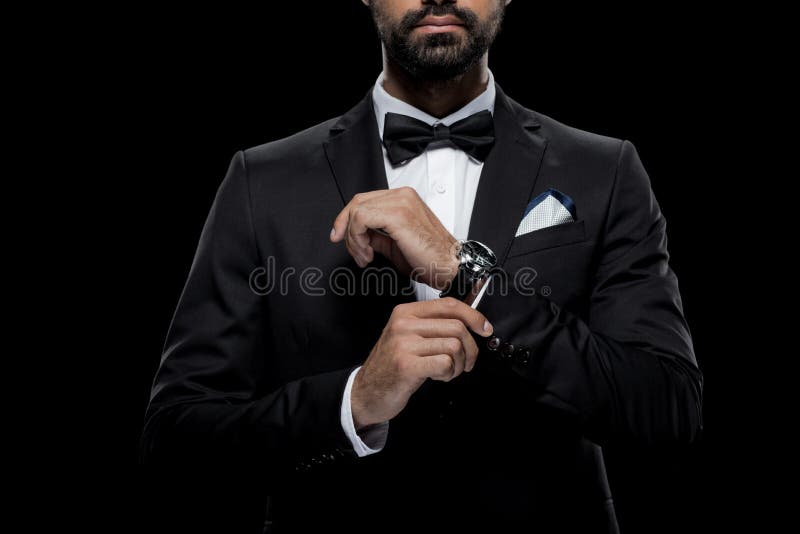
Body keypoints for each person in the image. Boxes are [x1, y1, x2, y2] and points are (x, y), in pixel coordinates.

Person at [141, 1, 703, 532]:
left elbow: (667, 411)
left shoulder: (606, 171)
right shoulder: (259, 182)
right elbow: (178, 441)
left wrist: (469, 277)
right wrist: (355, 402)